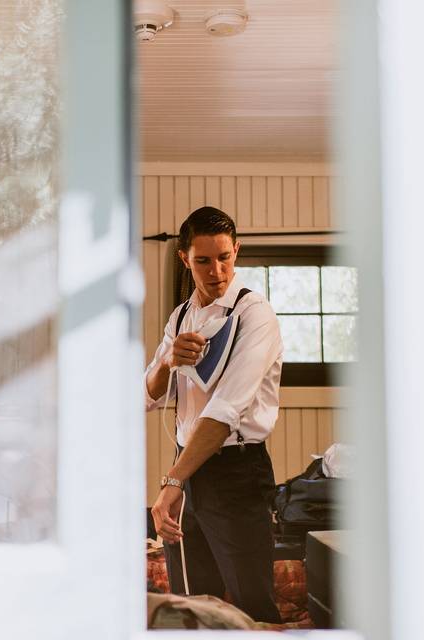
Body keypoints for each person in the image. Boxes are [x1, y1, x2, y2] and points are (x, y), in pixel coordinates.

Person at [145, 206, 283, 623]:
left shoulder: (254, 314)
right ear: (184, 258)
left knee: (252, 606)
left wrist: (172, 481)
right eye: (203, 260)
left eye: (224, 257)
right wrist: (167, 360)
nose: (216, 270)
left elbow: (225, 411)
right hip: (188, 467)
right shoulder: (181, 315)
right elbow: (149, 396)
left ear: (236, 251)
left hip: (235, 473)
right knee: (191, 607)